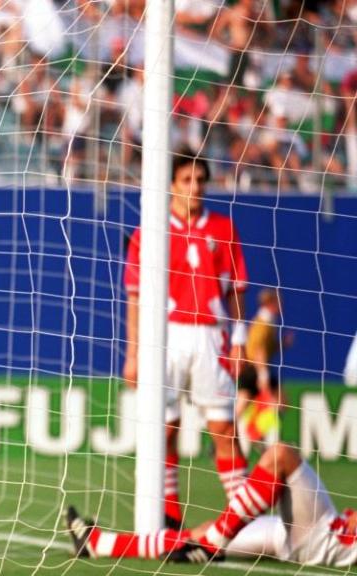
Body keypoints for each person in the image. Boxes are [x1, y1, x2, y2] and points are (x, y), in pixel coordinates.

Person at [123, 150, 250, 529]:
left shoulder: (224, 229)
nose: (195, 187)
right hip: (166, 335)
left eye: (200, 180)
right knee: (165, 428)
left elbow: (238, 289)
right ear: (172, 185)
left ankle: (243, 519)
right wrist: (133, 354)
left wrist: (240, 337)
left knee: (224, 430)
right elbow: (135, 296)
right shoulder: (149, 232)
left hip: (212, 336)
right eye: (187, 180)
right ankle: (169, 517)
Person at [65, 442, 357, 566]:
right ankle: (98, 544)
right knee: (203, 533)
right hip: (304, 532)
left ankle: (213, 545)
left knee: (281, 455)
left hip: (322, 535)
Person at [236, 288, 290, 444]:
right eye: (279, 302)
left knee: (242, 405)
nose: (282, 306)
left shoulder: (267, 321)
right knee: (279, 401)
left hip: (254, 369)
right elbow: (258, 349)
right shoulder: (263, 322)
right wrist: (263, 374)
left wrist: (282, 344)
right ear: (271, 303)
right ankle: (257, 435)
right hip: (255, 369)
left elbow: (266, 348)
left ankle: (255, 435)